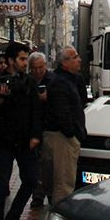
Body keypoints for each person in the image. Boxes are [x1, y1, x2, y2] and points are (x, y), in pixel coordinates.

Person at [0, 42, 42, 220]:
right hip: (3, 141)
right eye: (21, 59)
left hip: (25, 141)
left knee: (31, 180)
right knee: (1, 186)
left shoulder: (29, 82)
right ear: (11, 60)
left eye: (26, 59)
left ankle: (14, 216)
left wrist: (36, 136)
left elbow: (36, 110)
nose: (25, 63)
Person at [43, 47, 86, 203]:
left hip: (63, 136)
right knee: (63, 183)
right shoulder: (61, 83)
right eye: (75, 57)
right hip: (62, 138)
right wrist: (71, 134)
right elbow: (63, 113)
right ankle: (61, 219)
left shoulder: (70, 80)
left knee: (62, 181)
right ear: (65, 63)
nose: (79, 59)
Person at [29, 52, 53, 207]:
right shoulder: (28, 81)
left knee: (48, 163)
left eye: (41, 67)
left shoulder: (53, 80)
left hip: (49, 126)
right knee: (35, 164)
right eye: (34, 68)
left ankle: (50, 193)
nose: (38, 71)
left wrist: (48, 98)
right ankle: (37, 194)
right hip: (32, 127)